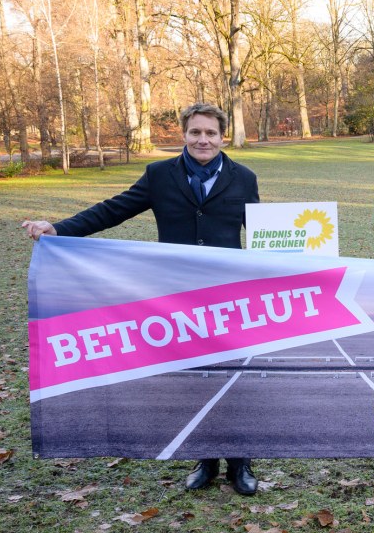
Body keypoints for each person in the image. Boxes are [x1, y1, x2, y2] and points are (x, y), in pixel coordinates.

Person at [22, 103, 261, 496]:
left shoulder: (243, 177)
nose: (203, 140)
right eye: (196, 132)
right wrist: (59, 228)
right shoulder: (159, 175)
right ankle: (205, 460)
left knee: (232, 379)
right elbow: (114, 209)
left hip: (228, 298)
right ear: (184, 134)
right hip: (176, 297)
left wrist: (308, 252)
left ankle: (241, 462)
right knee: (192, 380)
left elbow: (266, 230)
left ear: (222, 136)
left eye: (211, 133)